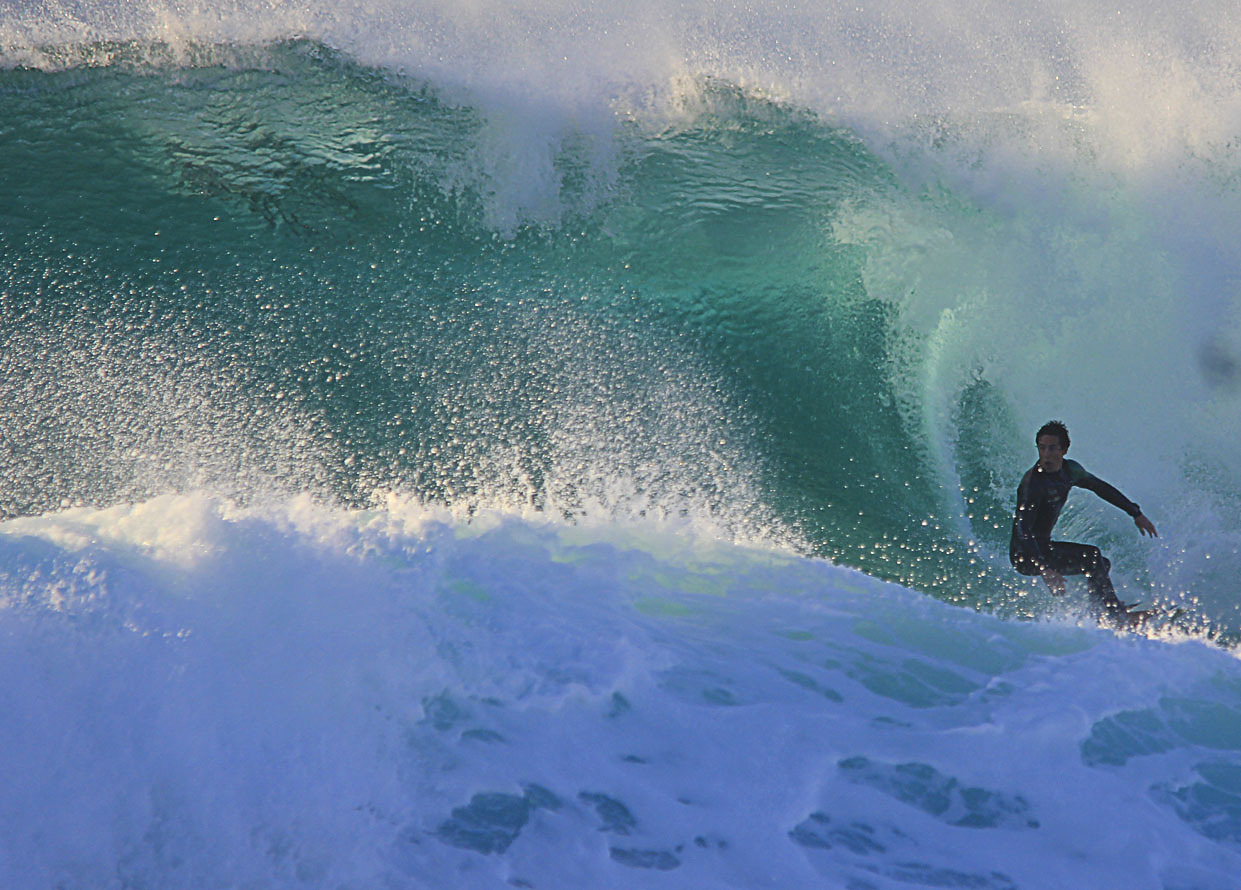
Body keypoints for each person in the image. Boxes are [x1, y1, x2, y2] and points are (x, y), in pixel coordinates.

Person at [1010, 420, 1158, 620]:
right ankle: (1114, 615)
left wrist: (1135, 513)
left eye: (1052, 448)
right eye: (1042, 448)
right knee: (1093, 557)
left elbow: (1100, 488)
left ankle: (1101, 611)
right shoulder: (1033, 483)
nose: (1046, 455)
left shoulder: (1070, 471)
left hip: (1043, 547)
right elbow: (1022, 529)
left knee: (1101, 564)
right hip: (1025, 554)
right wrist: (1045, 568)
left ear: (1065, 449)